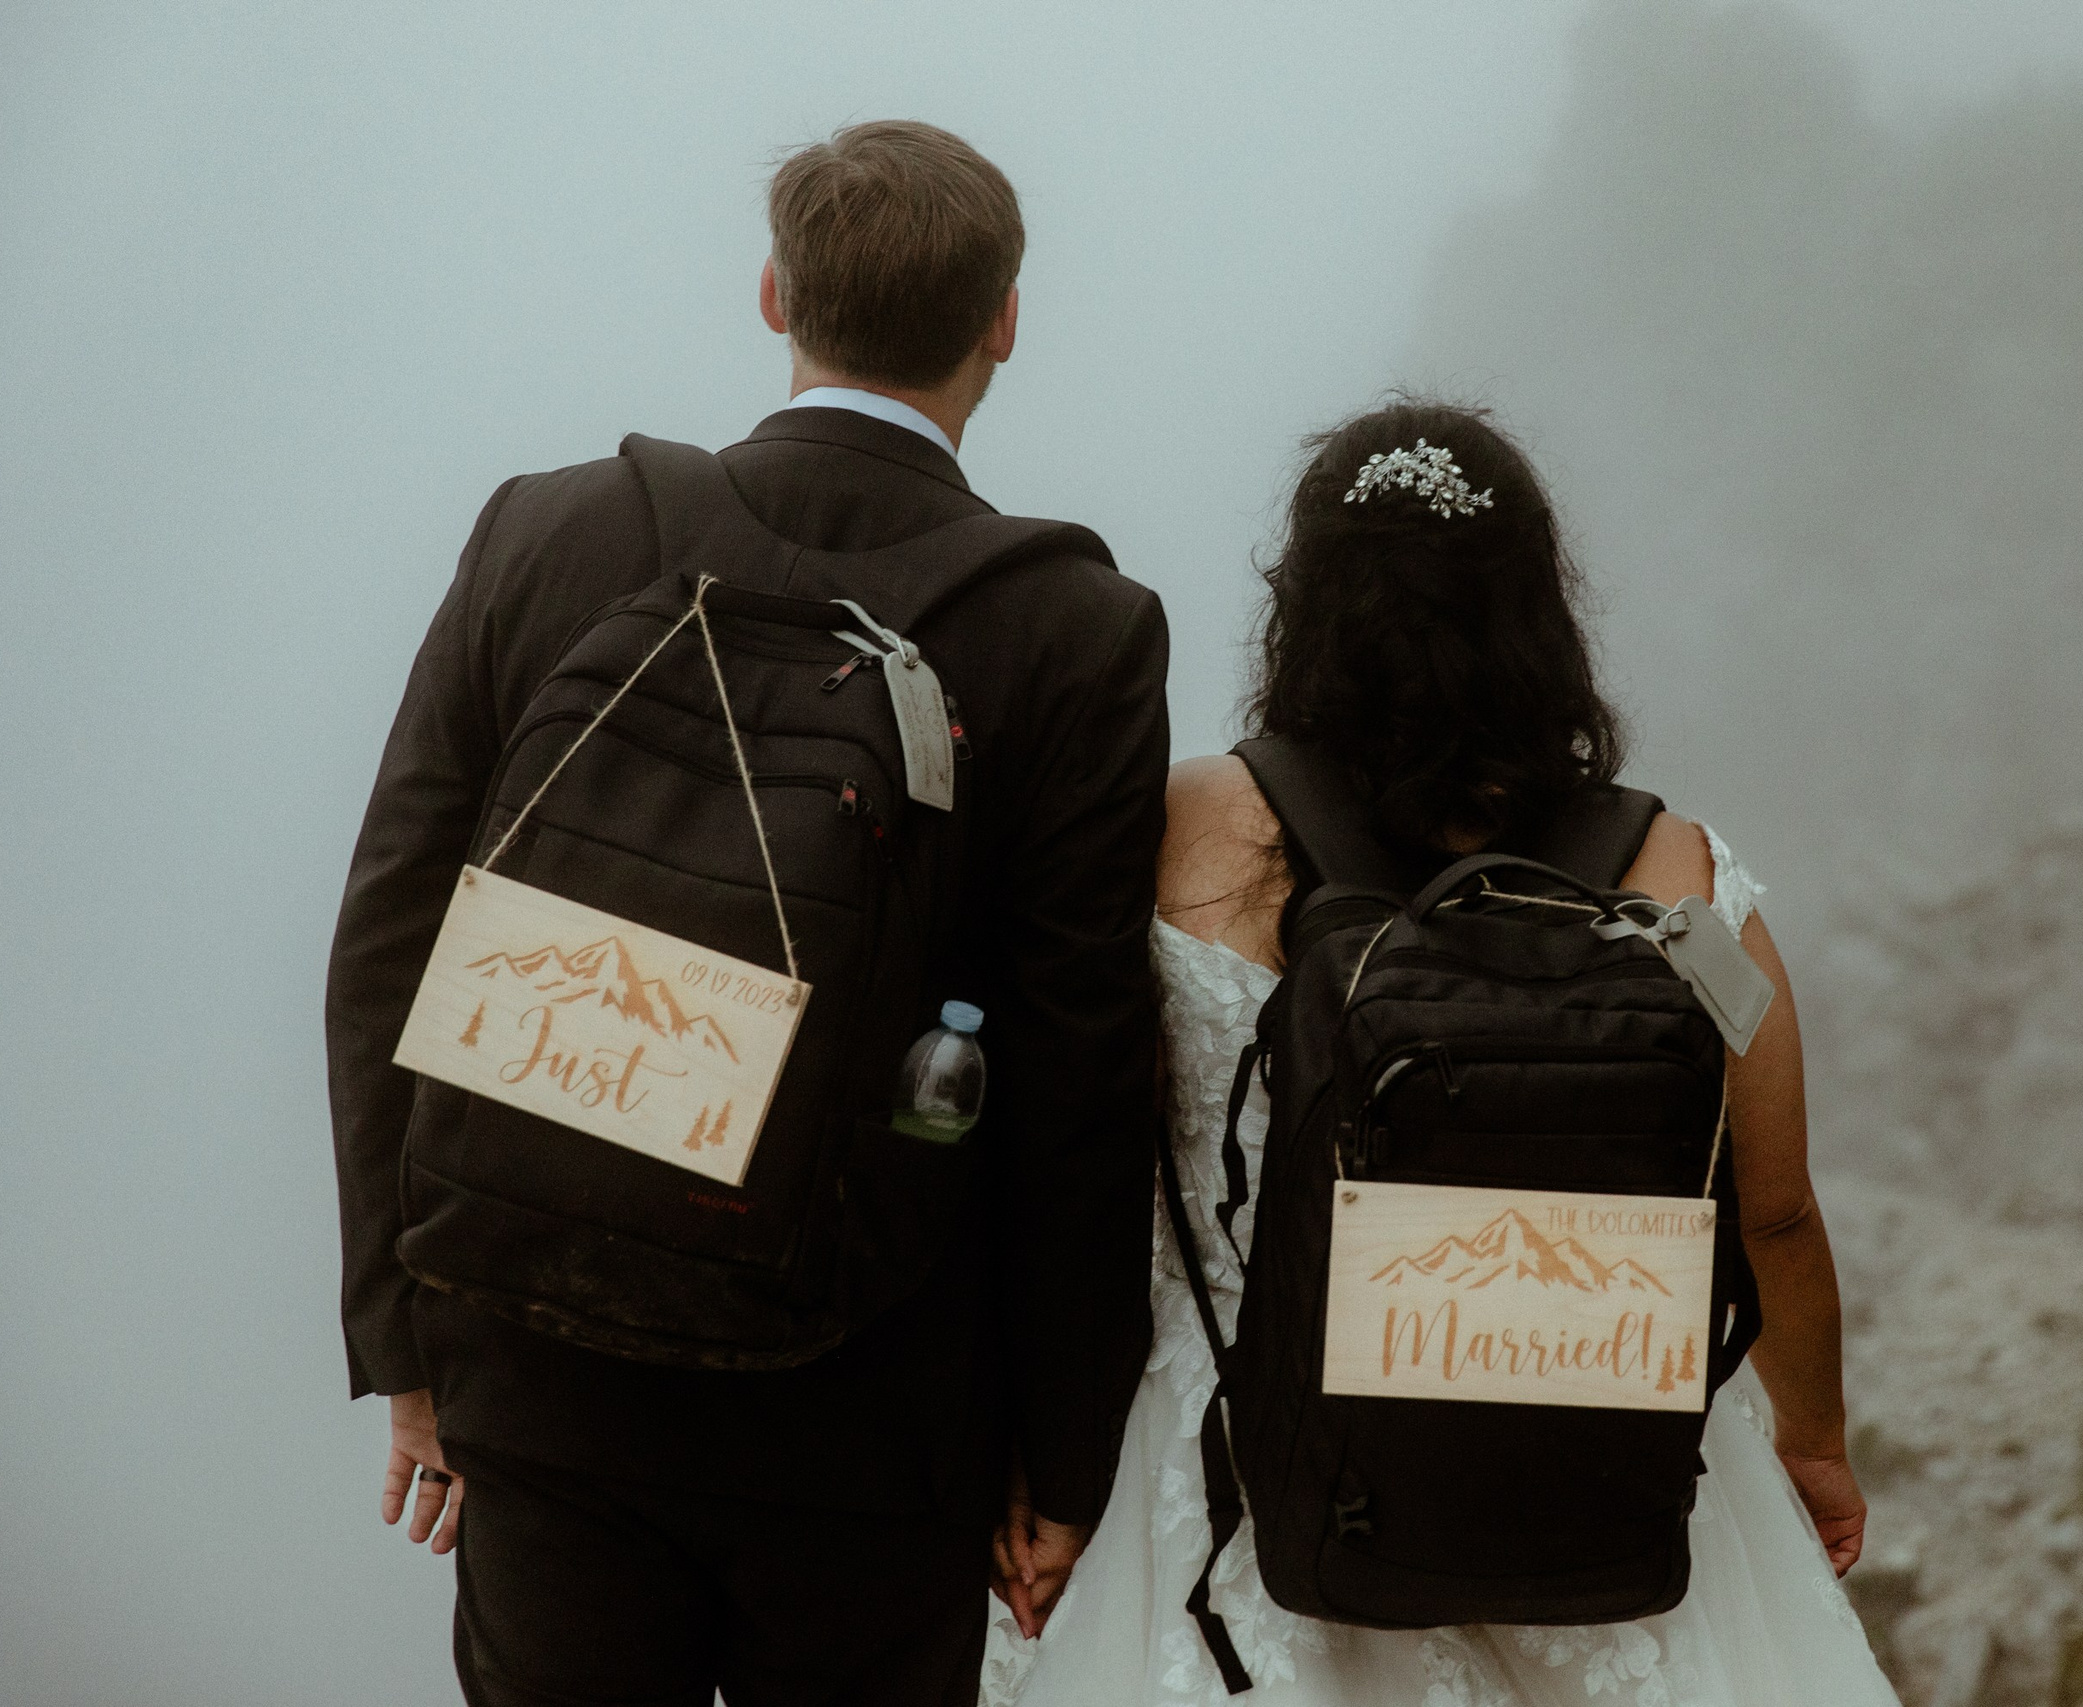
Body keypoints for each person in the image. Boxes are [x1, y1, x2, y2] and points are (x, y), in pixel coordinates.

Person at [325, 121, 1169, 1706]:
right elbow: (1075, 1074)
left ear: (774, 292)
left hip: (540, 1360)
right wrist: (1066, 1449)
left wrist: (412, 1337)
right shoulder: (1077, 631)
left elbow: (390, 942)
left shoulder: (548, 532)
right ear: (1003, 320)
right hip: (878, 1415)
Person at [979, 401, 1899, 1705]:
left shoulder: (1177, 830)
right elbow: (1779, 1209)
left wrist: (1043, 1463)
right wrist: (1812, 1441)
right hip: (1589, 1460)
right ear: (1538, 610)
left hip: (1254, 1471)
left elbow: (1063, 1158)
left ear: (1302, 605)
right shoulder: (1679, 870)